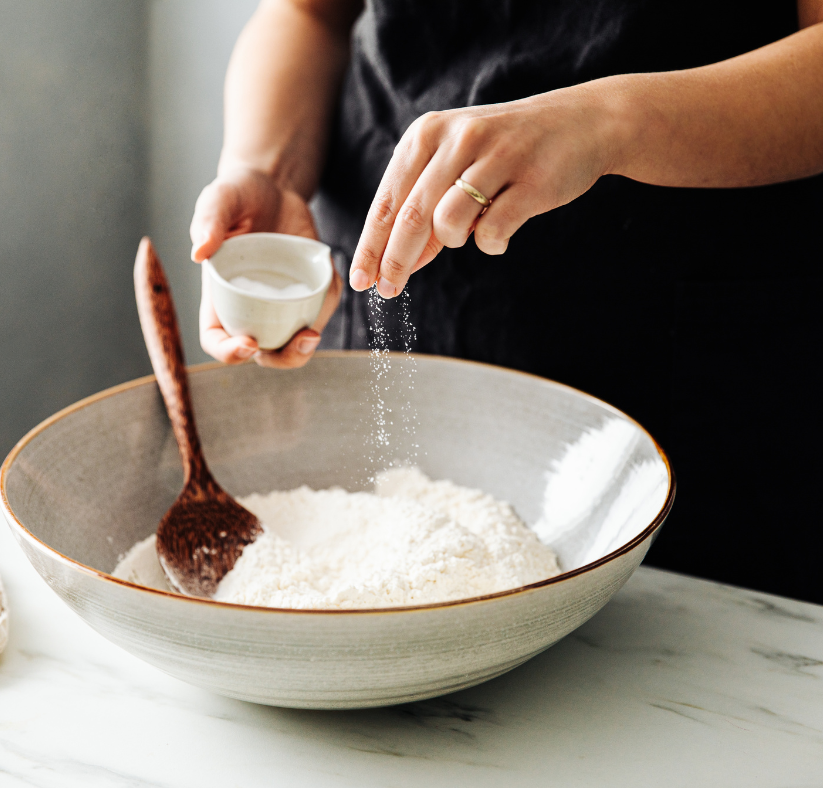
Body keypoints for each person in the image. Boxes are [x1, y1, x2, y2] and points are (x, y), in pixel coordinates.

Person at [189, 0, 823, 603]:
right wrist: (268, 172)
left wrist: (608, 120)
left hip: (694, 359)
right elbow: (308, 14)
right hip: (397, 302)